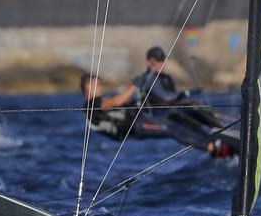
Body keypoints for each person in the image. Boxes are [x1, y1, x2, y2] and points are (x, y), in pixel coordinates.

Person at [83, 48, 234, 157]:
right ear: (88, 87)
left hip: (140, 117)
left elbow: (122, 102)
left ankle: (221, 136)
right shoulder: (91, 105)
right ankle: (211, 147)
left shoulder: (100, 100)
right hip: (135, 127)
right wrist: (135, 85)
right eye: (98, 85)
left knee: (184, 113)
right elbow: (117, 101)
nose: (101, 88)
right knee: (169, 126)